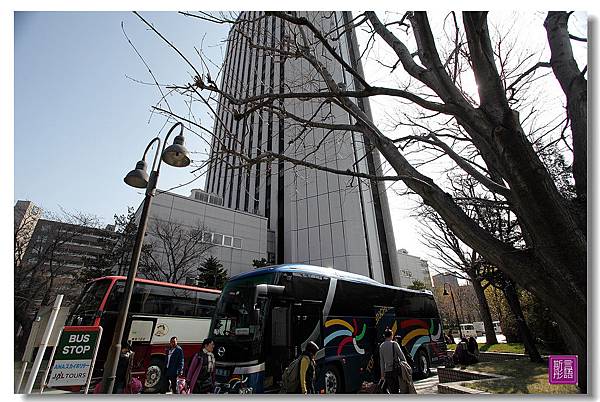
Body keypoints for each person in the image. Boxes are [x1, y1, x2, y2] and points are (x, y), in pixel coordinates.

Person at [379, 328, 406, 394]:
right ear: (391, 335)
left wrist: (382, 374)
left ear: (384, 336)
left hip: (387, 372)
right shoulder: (395, 344)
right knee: (398, 389)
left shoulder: (381, 346)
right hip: (396, 370)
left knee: (392, 390)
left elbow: (382, 362)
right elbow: (402, 357)